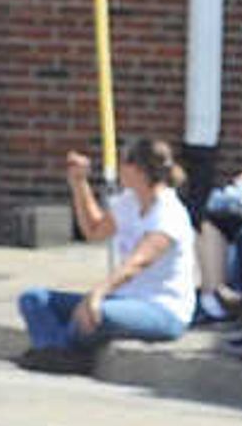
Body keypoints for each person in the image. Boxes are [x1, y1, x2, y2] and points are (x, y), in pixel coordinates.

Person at [18, 139, 197, 373]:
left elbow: (138, 263)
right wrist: (79, 183)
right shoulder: (129, 201)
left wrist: (97, 293)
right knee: (34, 299)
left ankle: (57, 352)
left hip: (162, 309)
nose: (120, 168)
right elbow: (94, 230)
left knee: (98, 313)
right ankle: (59, 352)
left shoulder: (169, 213)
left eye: (124, 162)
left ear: (137, 170)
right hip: (125, 299)